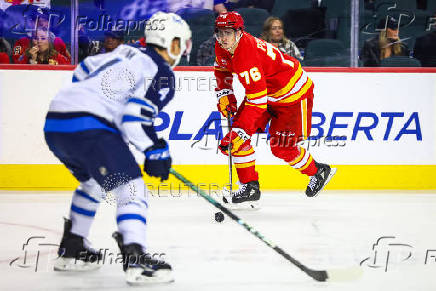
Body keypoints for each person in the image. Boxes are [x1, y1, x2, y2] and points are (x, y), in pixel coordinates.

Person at [43, 12, 191, 284]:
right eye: (183, 42)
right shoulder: (160, 71)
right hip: (90, 126)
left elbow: (82, 73)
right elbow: (134, 117)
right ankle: (136, 258)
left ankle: (73, 249)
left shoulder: (121, 53)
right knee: (132, 186)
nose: (183, 49)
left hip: (56, 124)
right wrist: (155, 150)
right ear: (172, 44)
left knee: (93, 183)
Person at [213, 12, 336, 209]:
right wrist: (225, 92)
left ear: (239, 32)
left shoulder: (247, 56)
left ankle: (318, 171)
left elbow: (257, 101)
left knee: (281, 147)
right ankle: (249, 187)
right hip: (264, 92)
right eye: (219, 33)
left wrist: (240, 130)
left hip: (293, 95)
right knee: (237, 137)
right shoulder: (222, 45)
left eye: (228, 32)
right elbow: (222, 69)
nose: (223, 38)